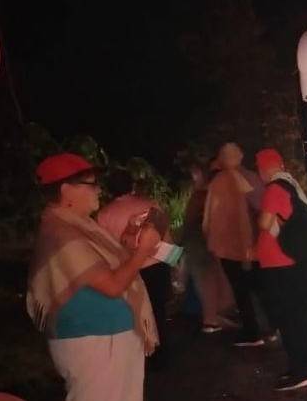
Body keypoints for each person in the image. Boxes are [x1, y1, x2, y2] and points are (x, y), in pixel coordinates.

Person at [26, 153, 159, 401]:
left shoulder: (78, 226)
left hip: (106, 340)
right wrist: (141, 252)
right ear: (67, 190)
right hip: (95, 344)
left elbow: (102, 269)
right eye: (91, 184)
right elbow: (112, 285)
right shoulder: (61, 233)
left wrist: (129, 244)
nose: (98, 190)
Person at [96, 169, 178, 370]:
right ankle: (162, 355)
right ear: (132, 185)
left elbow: (105, 249)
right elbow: (166, 236)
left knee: (134, 313)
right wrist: (173, 263)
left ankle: (140, 356)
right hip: (156, 267)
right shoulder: (150, 205)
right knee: (157, 311)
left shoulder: (104, 215)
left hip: (128, 271)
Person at [253, 149, 307, 391]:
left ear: (263, 168)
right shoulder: (290, 185)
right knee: (294, 318)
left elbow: (264, 223)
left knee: (290, 319)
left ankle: (302, 372)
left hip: (282, 265)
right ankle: (300, 367)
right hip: (291, 263)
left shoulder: (273, 189)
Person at [203, 142, 270, 347]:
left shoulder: (218, 183)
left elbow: (209, 219)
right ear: (240, 157)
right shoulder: (252, 178)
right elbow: (262, 208)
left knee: (241, 291)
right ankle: (272, 327)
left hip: (229, 248)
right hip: (255, 245)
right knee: (261, 287)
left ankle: (252, 332)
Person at [180, 164, 237, 333]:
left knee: (207, 282)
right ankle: (212, 318)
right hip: (205, 245)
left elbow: (188, 224)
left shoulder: (200, 197)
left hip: (198, 245)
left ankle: (213, 317)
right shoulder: (208, 197)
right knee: (211, 281)